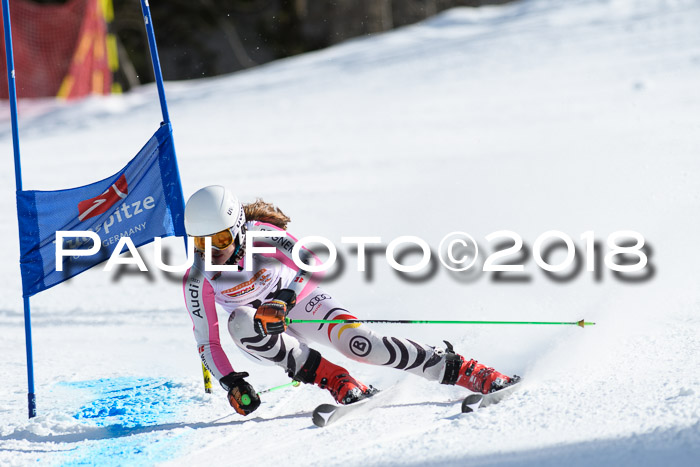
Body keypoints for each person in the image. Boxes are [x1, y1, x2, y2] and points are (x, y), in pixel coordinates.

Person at [183, 186, 519, 416]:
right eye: (200, 240)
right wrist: (232, 383)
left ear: (239, 228)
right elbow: (207, 342)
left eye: (221, 238)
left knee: (363, 345)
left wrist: (285, 299)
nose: (211, 249)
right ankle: (335, 378)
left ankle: (463, 370)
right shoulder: (198, 278)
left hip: (298, 304)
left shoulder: (263, 235)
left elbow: (313, 261)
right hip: (258, 335)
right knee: (240, 319)